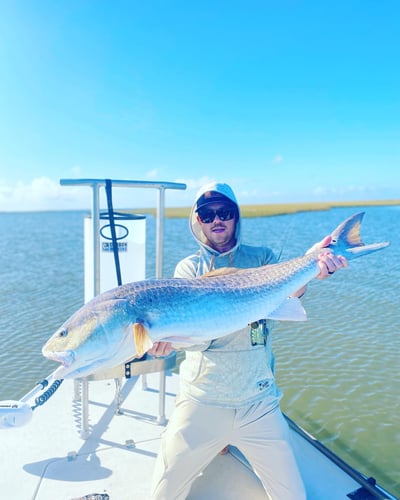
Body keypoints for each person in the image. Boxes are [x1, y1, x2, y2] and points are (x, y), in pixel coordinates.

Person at [149, 182, 347, 500]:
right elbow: (196, 340)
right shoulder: (188, 269)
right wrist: (169, 340)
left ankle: (223, 444)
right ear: (197, 220)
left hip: (258, 404)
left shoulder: (263, 258)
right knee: (160, 496)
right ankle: (217, 442)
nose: (217, 220)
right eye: (207, 213)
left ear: (236, 216)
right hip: (202, 401)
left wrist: (314, 265)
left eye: (225, 212)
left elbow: (288, 292)